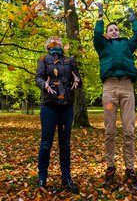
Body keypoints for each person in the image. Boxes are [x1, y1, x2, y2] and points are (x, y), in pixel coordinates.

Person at [93, 3, 137, 191]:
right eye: (111, 30)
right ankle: (110, 168)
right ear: (107, 33)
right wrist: (100, 17)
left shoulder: (126, 44)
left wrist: (133, 19)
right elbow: (96, 35)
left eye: (116, 29)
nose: (114, 31)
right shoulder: (102, 45)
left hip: (126, 88)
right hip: (109, 89)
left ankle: (130, 169)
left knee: (129, 130)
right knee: (109, 131)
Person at [35, 36, 81, 194]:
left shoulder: (70, 60)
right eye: (53, 39)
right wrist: (44, 84)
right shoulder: (43, 59)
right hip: (49, 106)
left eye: (59, 39)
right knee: (46, 142)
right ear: (47, 45)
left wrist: (78, 80)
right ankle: (42, 177)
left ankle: (66, 177)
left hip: (66, 107)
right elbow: (39, 78)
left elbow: (76, 78)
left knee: (65, 143)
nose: (56, 40)